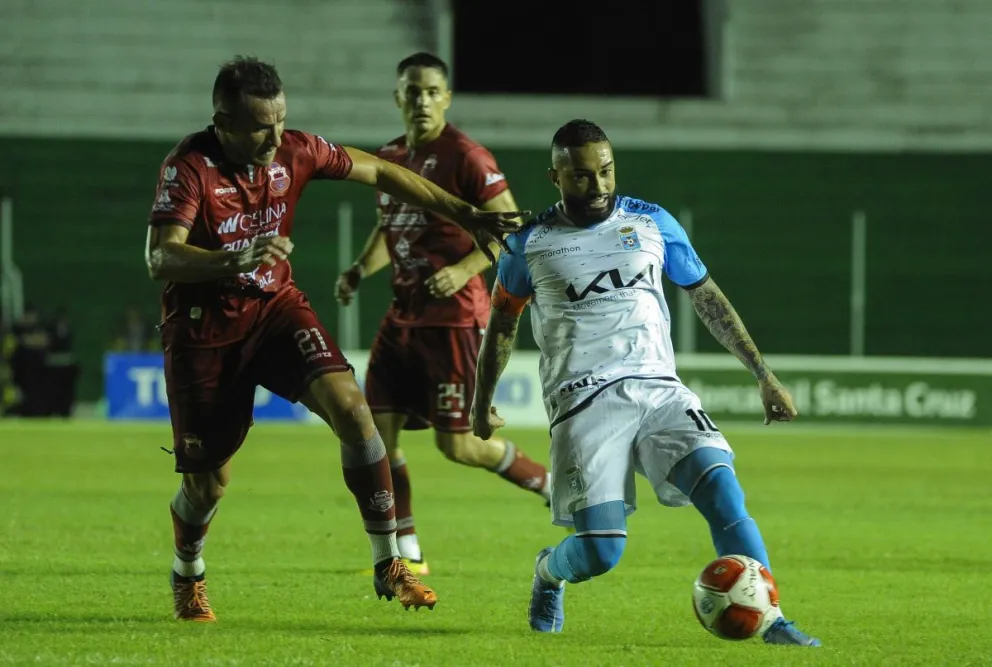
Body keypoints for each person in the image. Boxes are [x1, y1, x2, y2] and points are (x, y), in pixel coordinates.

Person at [144, 55, 523, 622]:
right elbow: (160, 256)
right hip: (204, 333)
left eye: (281, 121)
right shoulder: (190, 165)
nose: (276, 137)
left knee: (353, 409)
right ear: (222, 122)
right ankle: (188, 571)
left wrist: (464, 212)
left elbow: (381, 171)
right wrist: (234, 258)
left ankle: (389, 560)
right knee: (208, 487)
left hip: (275, 311)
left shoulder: (295, 149)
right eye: (259, 127)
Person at [470, 119, 821, 646]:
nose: (599, 185)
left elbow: (708, 299)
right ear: (556, 177)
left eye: (606, 171)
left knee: (724, 489)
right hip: (582, 401)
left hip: (659, 389)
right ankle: (549, 572)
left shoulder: (653, 222)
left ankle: (772, 619)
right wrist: (482, 404)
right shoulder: (529, 244)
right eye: (582, 176)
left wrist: (763, 375)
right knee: (601, 552)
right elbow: (502, 323)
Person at [336, 53, 551, 575]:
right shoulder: (388, 156)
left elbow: (510, 230)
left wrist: (464, 268)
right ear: (398, 98)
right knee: (372, 438)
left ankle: (546, 482)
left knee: (457, 446)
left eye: (433, 91)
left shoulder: (468, 156)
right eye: (413, 91)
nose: (422, 101)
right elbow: (392, 228)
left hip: (455, 320)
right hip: (402, 319)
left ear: (447, 98)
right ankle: (405, 547)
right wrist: (361, 269)